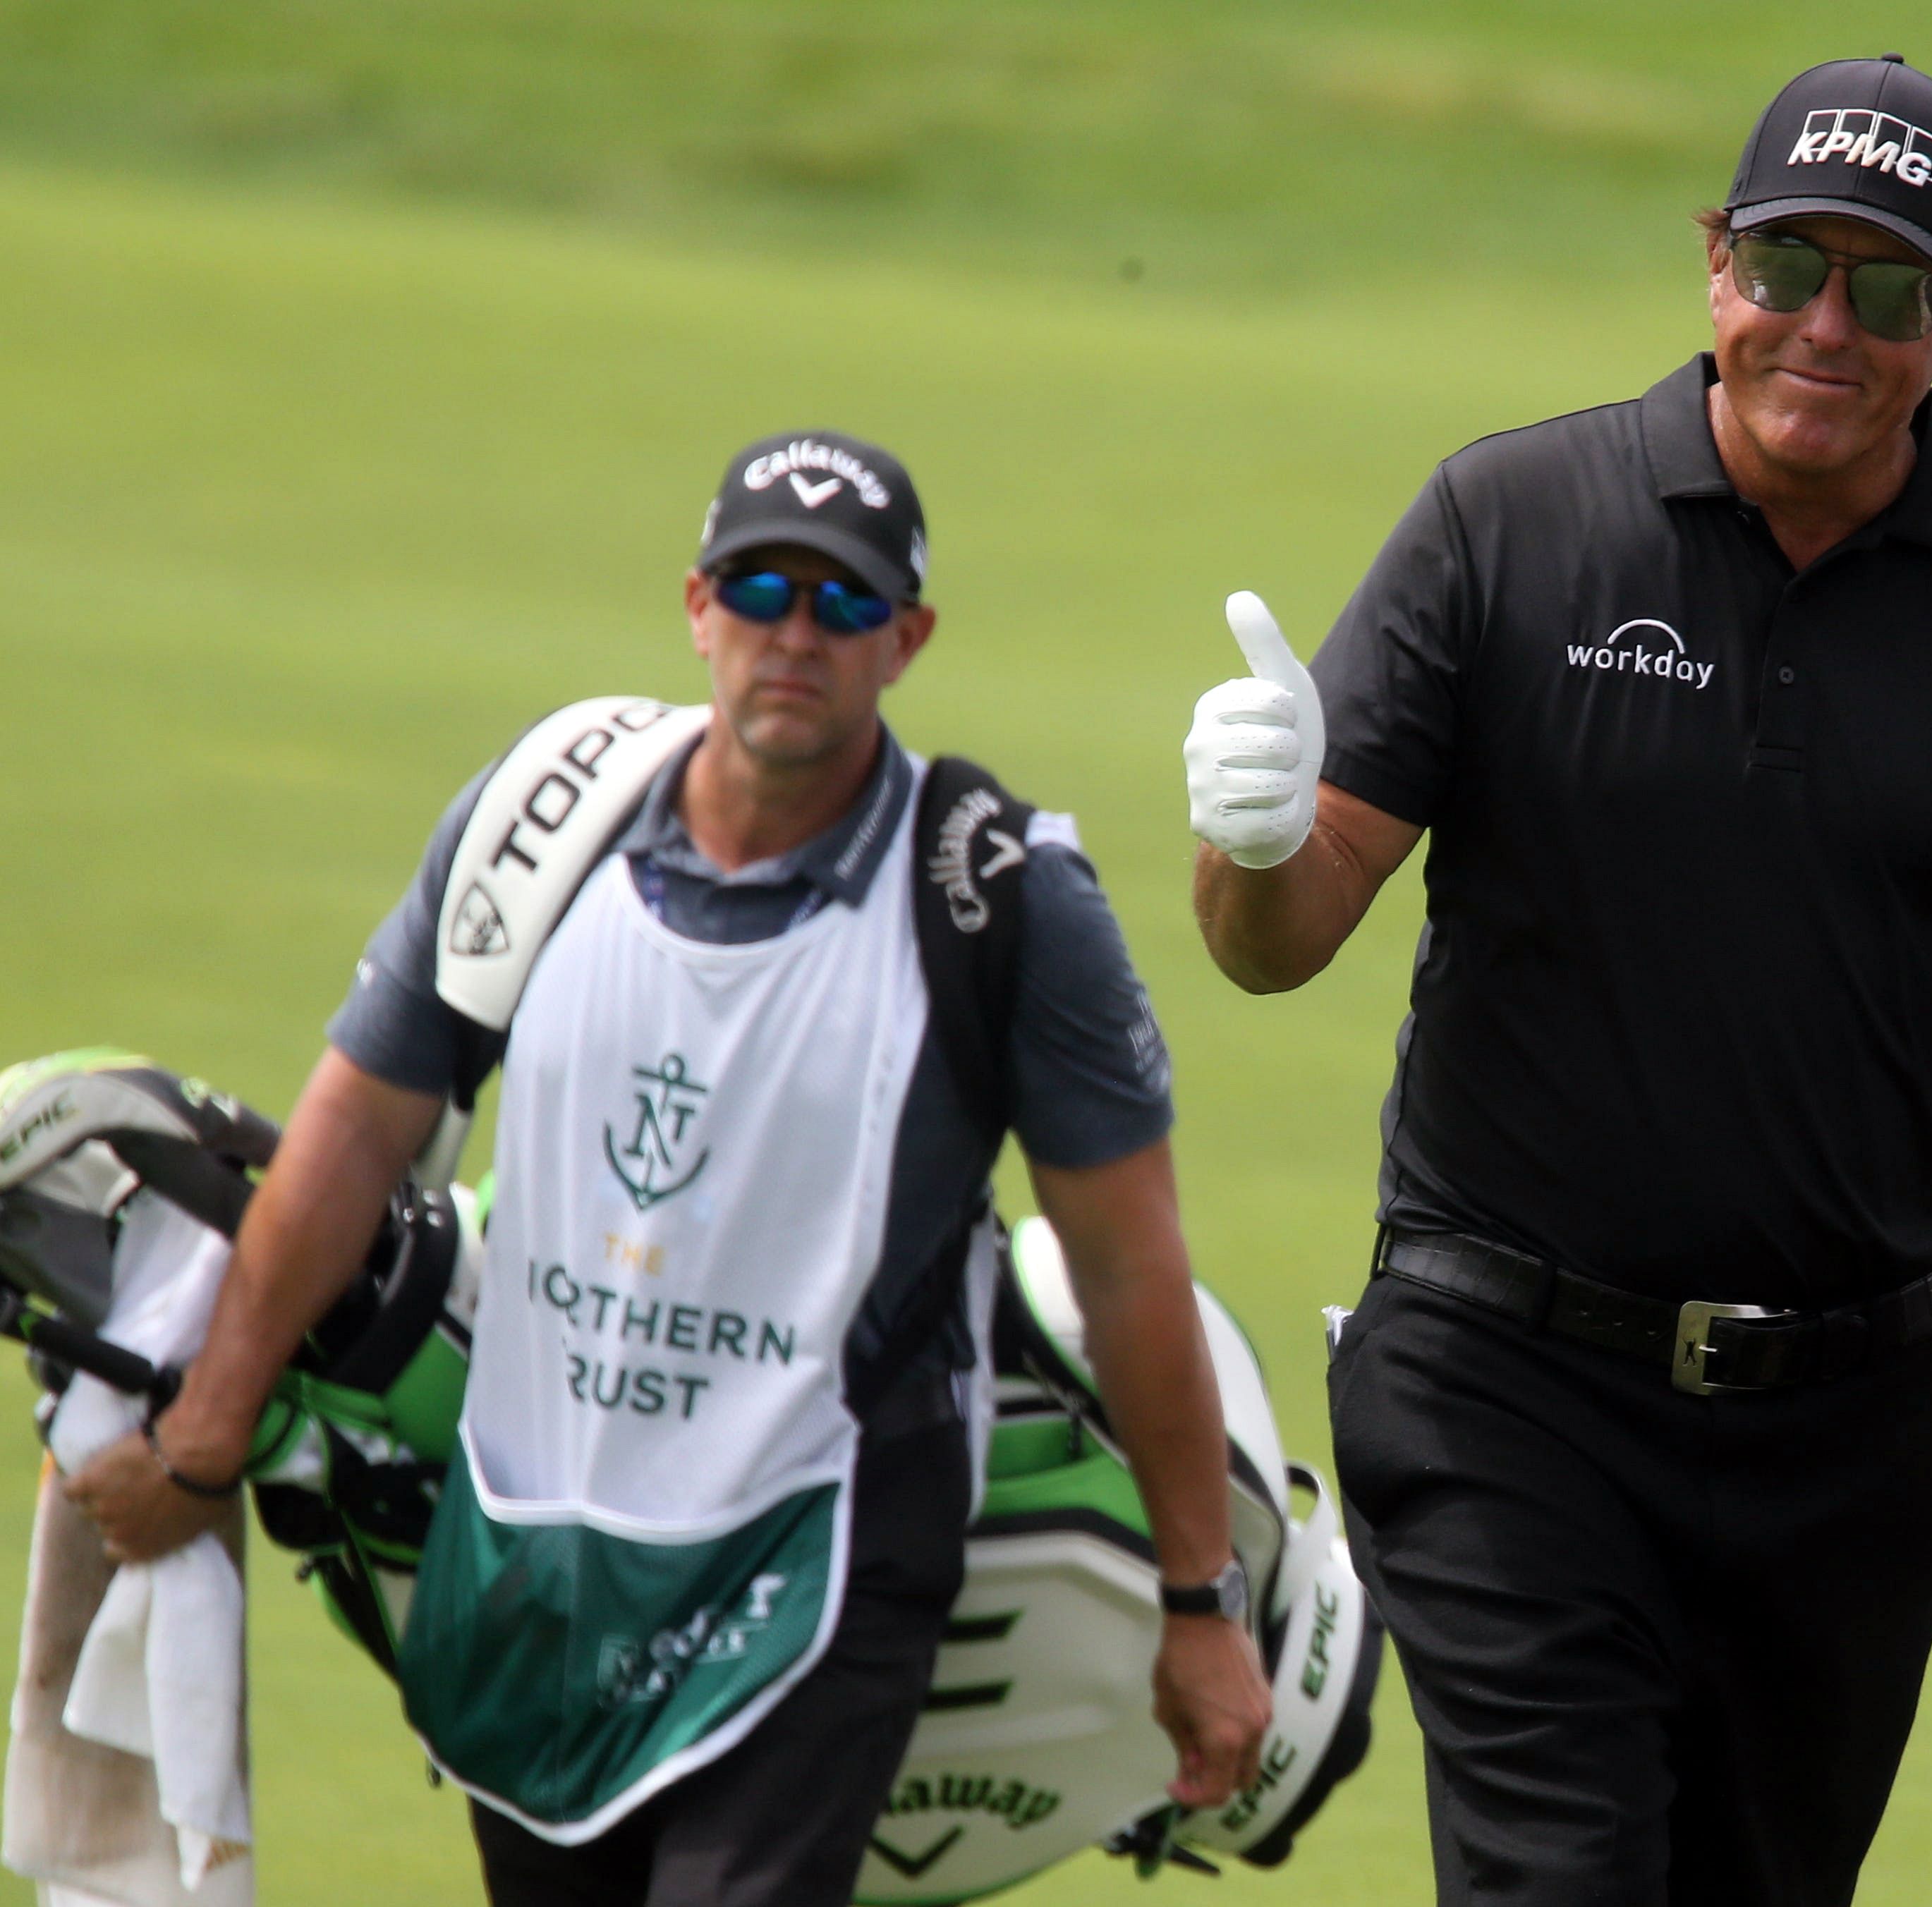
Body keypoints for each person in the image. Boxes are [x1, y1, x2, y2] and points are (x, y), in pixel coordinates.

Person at [1183, 54, 1932, 1907]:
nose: (1823, 325)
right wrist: (1247, 844)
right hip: (1505, 1387)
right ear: (1710, 262)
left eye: (1888, 290)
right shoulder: (1506, 523)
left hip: (1855, 1429)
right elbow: (1283, 938)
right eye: (1783, 265)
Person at [70, 429, 1270, 1906]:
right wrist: (207, 1433)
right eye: (763, 587)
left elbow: (1130, 1266)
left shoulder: (999, 898)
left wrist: (1201, 1601)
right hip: (535, 1538)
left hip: (822, 1543)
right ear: (698, 605)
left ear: (908, 639)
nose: (795, 634)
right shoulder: (545, 824)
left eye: (843, 605)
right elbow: (351, 1134)